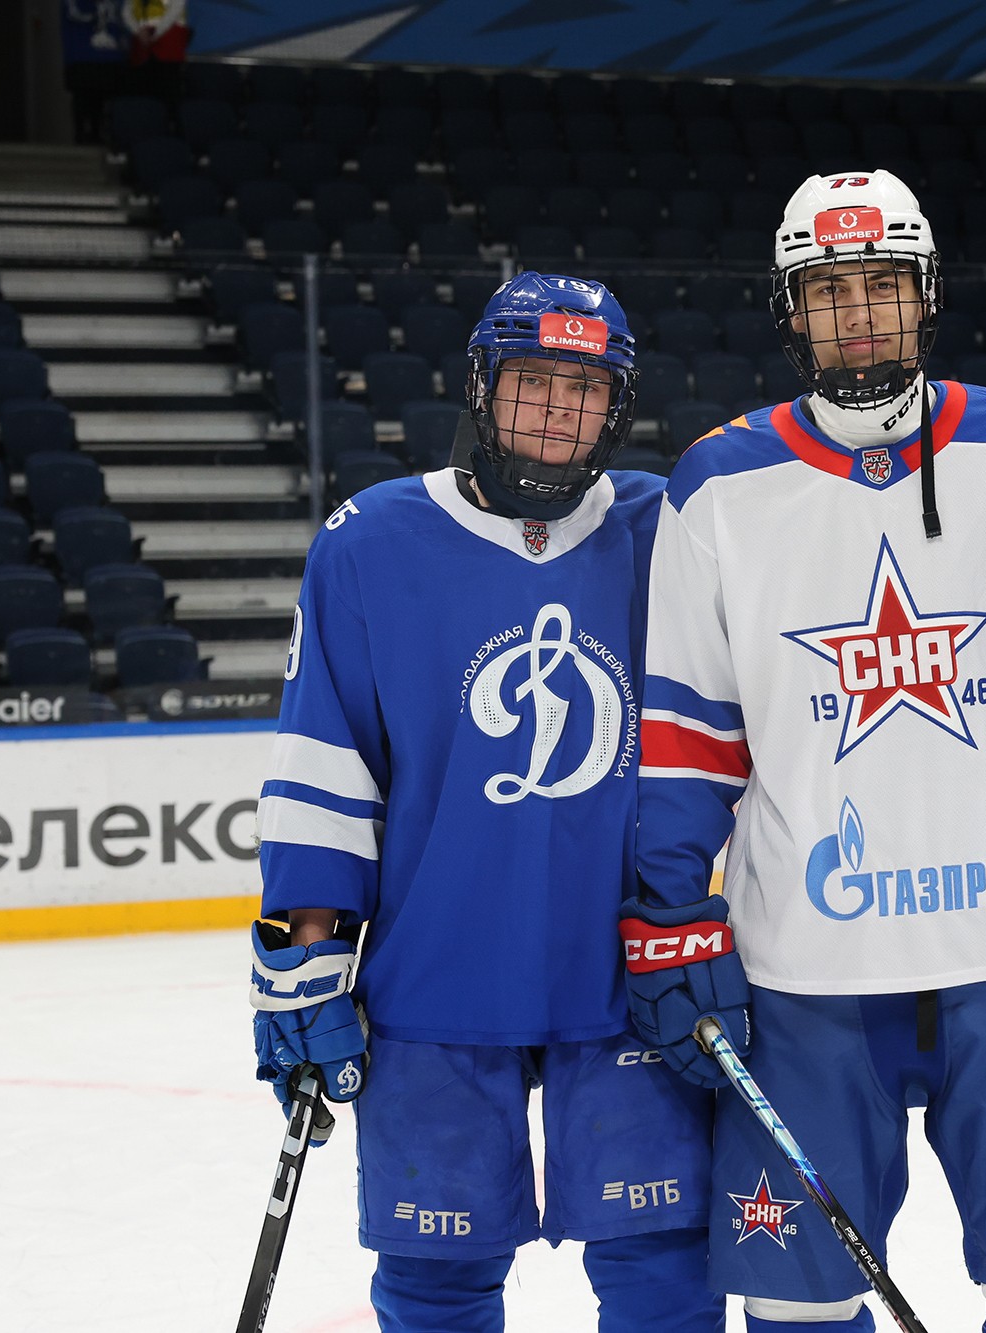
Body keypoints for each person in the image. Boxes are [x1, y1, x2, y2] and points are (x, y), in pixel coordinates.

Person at [621, 169, 986, 1333]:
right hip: (804, 970)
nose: (858, 312)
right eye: (828, 289)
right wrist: (669, 915)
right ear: (790, 309)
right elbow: (687, 739)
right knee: (793, 1298)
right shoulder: (718, 484)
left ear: (926, 292)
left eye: (882, 283)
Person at [248, 273, 724, 1333]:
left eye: (585, 388)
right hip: (435, 973)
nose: (558, 409)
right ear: (481, 385)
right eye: (532, 380)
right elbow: (326, 767)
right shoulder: (370, 542)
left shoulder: (666, 530)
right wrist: (304, 953)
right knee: (436, 1282)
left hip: (631, 973)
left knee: (663, 1268)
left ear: (617, 405)